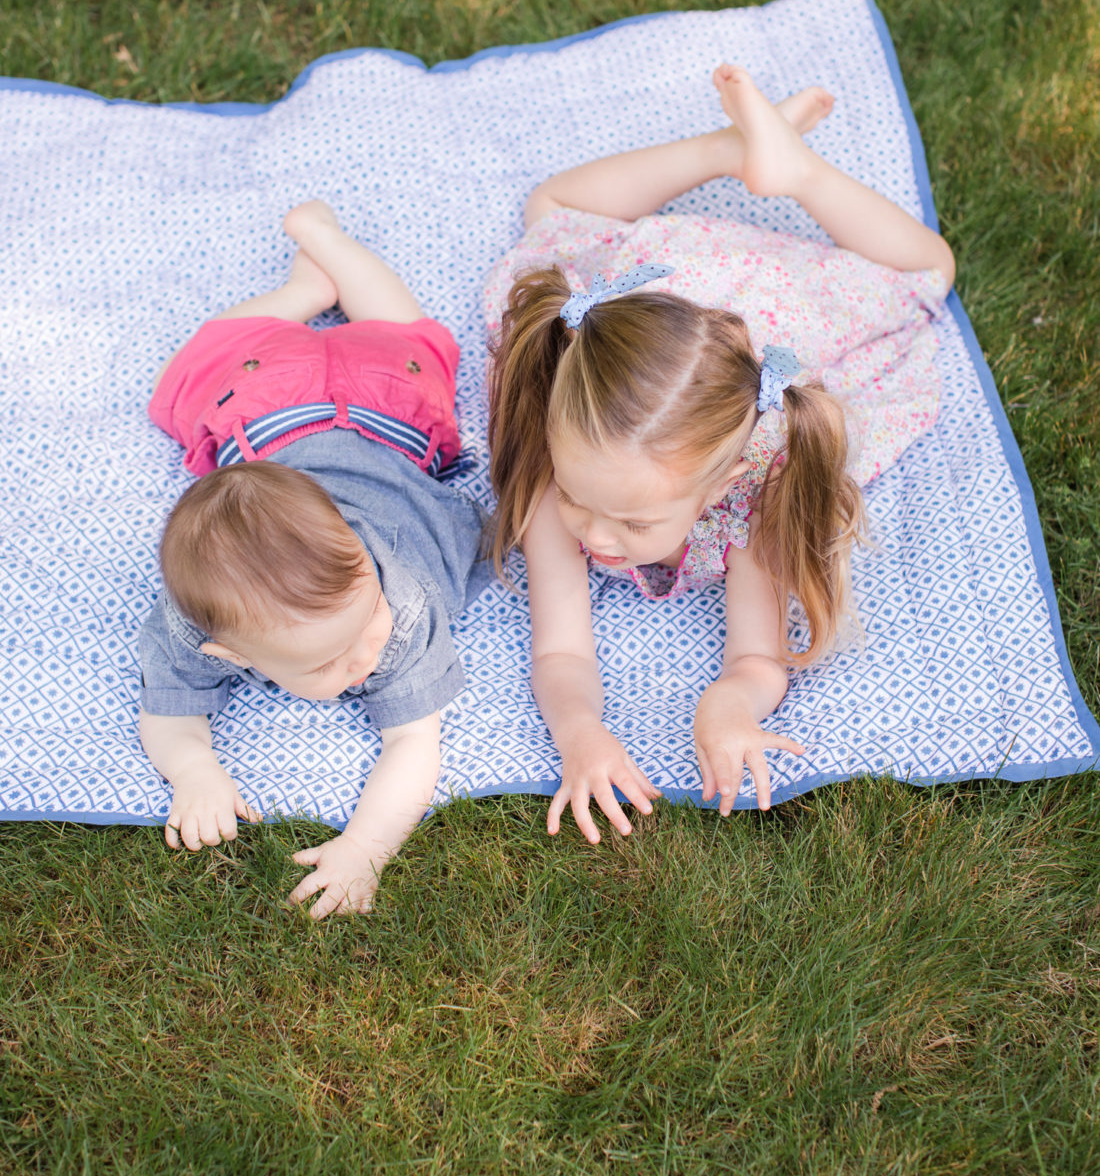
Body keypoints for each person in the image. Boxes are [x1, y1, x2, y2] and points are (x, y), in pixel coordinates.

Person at [485, 64, 955, 842]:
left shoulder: (761, 488)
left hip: (764, 300)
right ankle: (732, 147)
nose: (595, 537)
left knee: (927, 271)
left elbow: (756, 659)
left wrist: (727, 706)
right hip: (656, 320)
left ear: (724, 482)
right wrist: (578, 733)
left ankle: (788, 168)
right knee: (549, 211)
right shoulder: (560, 466)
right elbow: (560, 649)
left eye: (634, 522)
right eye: (582, 502)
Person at [139, 201, 489, 918]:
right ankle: (312, 287)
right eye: (326, 664)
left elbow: (414, 745)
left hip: (333, 410)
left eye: (364, 624)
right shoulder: (191, 622)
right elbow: (167, 711)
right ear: (227, 653)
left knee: (410, 341)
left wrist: (365, 846)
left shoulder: (401, 604)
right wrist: (194, 772)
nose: (369, 654)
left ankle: (318, 263)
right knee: (380, 342)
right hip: (313, 405)